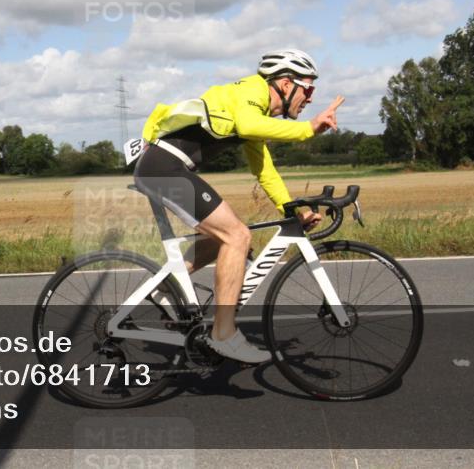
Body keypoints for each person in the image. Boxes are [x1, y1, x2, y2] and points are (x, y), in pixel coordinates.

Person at [133, 49, 344, 363]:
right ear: (287, 85)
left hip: (168, 169)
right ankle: (224, 334)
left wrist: (291, 210)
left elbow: (264, 170)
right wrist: (307, 129)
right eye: (308, 89)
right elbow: (247, 126)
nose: (310, 98)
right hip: (165, 169)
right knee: (237, 236)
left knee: (228, 240)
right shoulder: (250, 93)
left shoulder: (257, 111)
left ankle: (165, 289)